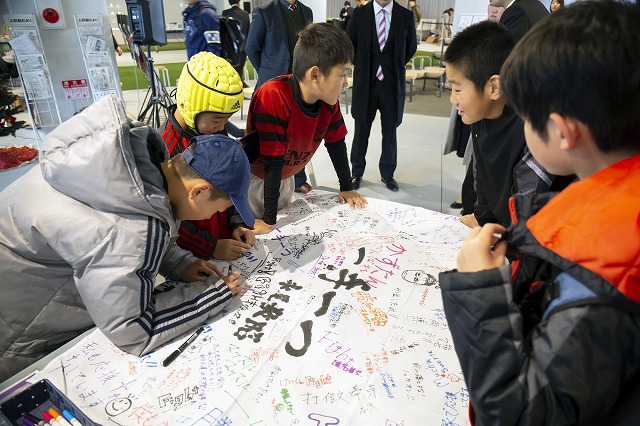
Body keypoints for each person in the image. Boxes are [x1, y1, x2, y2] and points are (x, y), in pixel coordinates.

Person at [440, 1, 640, 423]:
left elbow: (520, 414)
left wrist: (480, 292)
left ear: (564, 133)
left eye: (528, 116)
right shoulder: (610, 206)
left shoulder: (608, 267)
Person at [0, 95, 254, 381]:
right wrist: (213, 294)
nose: (212, 216)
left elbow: (119, 231)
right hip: (18, 328)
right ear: (198, 192)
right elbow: (133, 329)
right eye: (218, 208)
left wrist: (179, 262)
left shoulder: (131, 169)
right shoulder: (133, 229)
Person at [246, 23, 367, 235]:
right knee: (260, 236)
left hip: (284, 179)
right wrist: (268, 220)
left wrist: (347, 187)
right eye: (343, 74)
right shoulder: (273, 96)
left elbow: (336, 144)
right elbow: (271, 163)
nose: (347, 83)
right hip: (256, 183)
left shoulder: (329, 102)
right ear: (315, 75)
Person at [445, 21, 566, 229]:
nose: (452, 100)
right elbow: (480, 172)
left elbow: (527, 206)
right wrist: (482, 217)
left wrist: (504, 241)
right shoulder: (479, 116)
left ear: (494, 88)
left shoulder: (533, 129)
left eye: (458, 90)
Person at [160, 52, 255, 260]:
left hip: (223, 240)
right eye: (216, 120)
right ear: (188, 105)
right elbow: (169, 218)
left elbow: (230, 181)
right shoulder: (166, 149)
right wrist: (210, 247)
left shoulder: (214, 132)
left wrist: (237, 224)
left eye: (227, 120)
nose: (222, 128)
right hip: (190, 255)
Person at [347, 0, 417, 192]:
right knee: (361, 129)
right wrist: (362, 64)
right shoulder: (359, 14)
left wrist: (392, 65)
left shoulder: (405, 16)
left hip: (391, 84)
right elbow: (349, 42)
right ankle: (356, 172)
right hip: (366, 83)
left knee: (390, 131)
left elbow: (411, 46)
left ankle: (388, 174)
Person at [245, 0, 314, 195]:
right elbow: (251, 48)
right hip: (271, 86)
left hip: (299, 85)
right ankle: (261, 181)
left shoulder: (306, 12)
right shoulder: (263, 12)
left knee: (298, 134)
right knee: (267, 137)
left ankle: (298, 179)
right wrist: (267, 73)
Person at [222, 0, 251, 87]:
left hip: (228, 48)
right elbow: (248, 31)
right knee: (238, 70)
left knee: (229, 71)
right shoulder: (245, 14)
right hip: (242, 48)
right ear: (239, 2)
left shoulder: (225, 13)